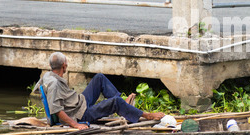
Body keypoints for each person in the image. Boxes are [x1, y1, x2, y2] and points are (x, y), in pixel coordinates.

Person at [35, 52, 164, 130]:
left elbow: (38, 88)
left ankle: (123, 103)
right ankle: (147, 115)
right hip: (80, 114)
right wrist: (75, 124)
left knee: (99, 78)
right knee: (115, 102)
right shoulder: (54, 84)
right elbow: (56, 109)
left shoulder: (47, 75)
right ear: (64, 66)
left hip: (79, 102)